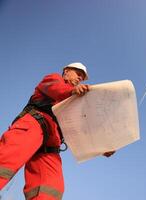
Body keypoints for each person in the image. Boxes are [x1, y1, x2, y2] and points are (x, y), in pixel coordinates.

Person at [0, 62, 115, 199]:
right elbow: (56, 88)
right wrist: (71, 91)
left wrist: (100, 148)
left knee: (51, 188)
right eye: (78, 74)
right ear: (66, 71)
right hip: (33, 126)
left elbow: (78, 130)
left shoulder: (74, 102)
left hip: (50, 146)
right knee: (6, 161)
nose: (80, 78)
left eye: (82, 78)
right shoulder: (55, 79)